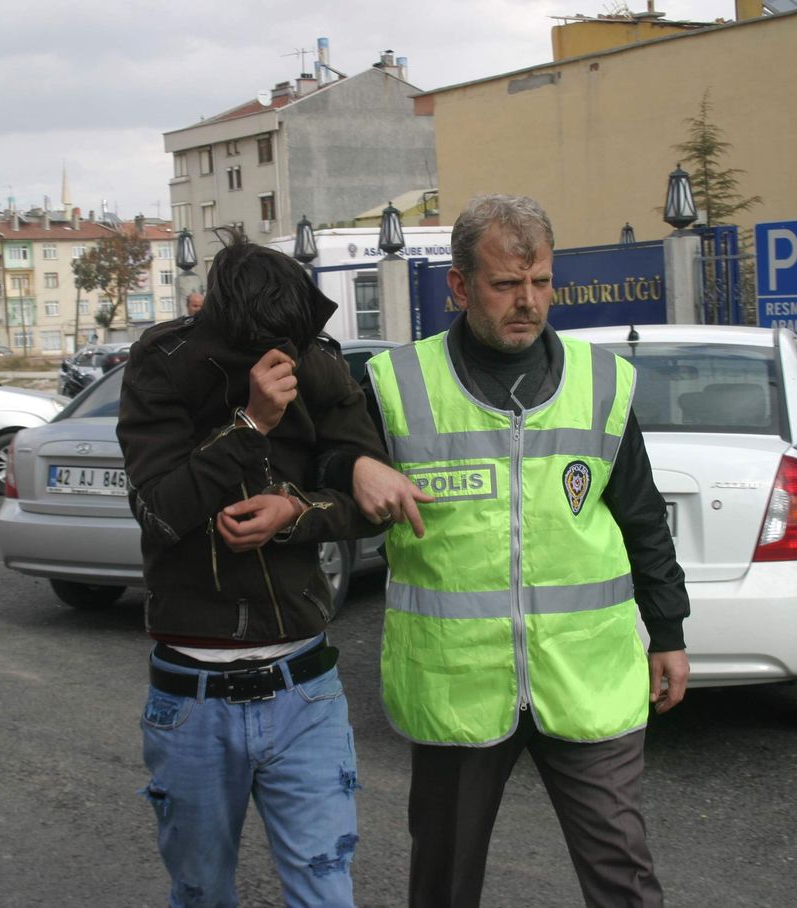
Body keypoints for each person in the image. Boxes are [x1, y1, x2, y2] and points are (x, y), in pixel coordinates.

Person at [350, 194, 691, 908]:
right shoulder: (397, 385)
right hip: (458, 685)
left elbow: (641, 518)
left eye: (540, 283)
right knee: (442, 882)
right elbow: (326, 465)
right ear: (460, 286)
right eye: (507, 285)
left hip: (584, 676)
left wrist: (668, 632)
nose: (527, 302)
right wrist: (346, 468)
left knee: (625, 875)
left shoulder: (603, 385)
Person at [116, 230, 388, 907]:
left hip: (305, 687)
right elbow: (158, 512)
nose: (277, 360)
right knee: (203, 891)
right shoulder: (162, 366)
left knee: (325, 890)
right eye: (259, 349)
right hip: (192, 696)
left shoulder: (315, 362)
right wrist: (250, 424)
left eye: (287, 347)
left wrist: (294, 513)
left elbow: (370, 505)